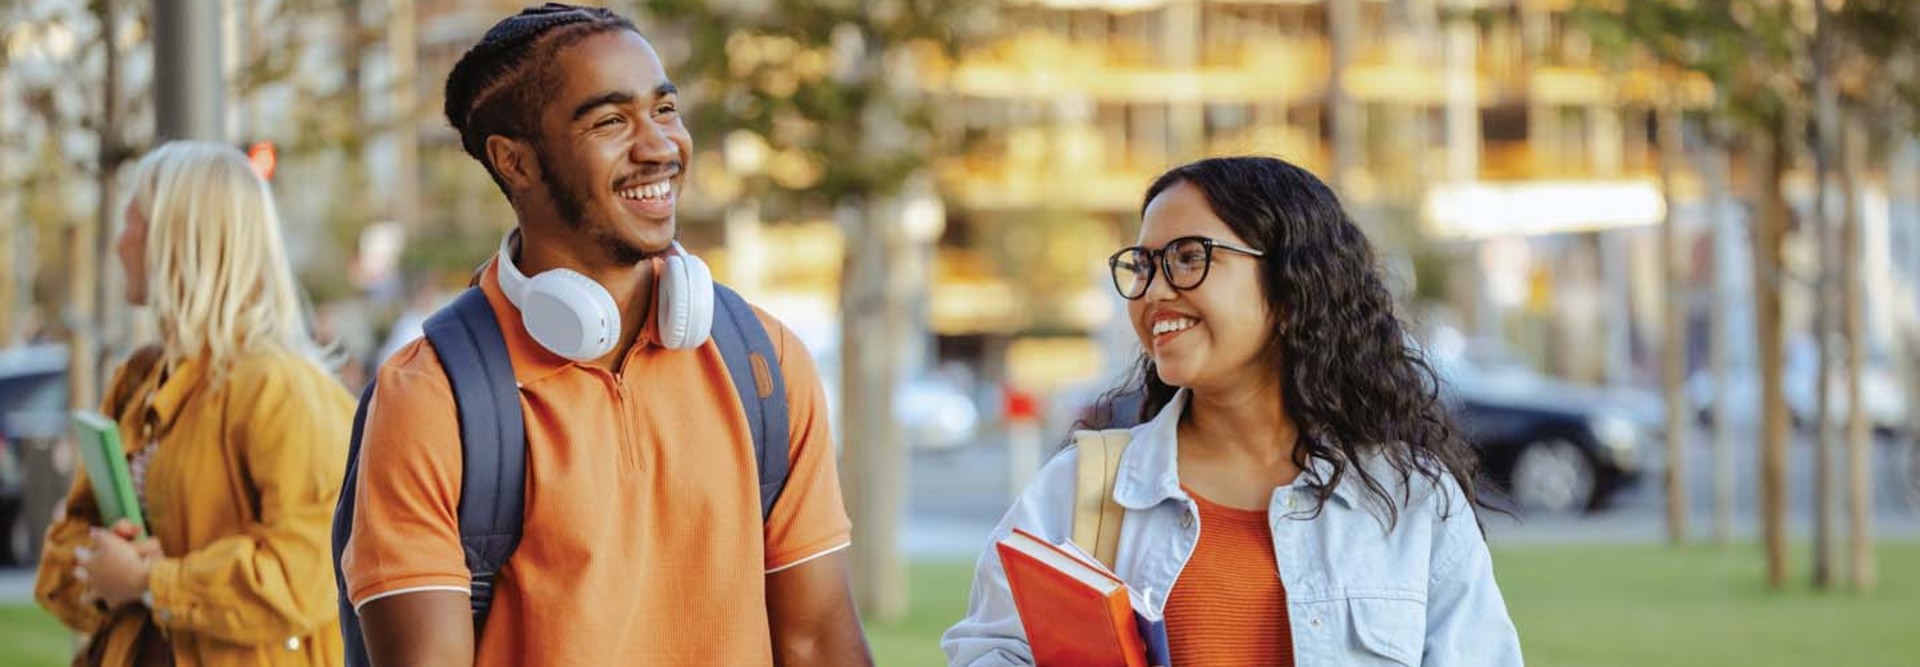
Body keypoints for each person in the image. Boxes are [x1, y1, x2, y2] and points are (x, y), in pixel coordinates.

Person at [338, 4, 869, 666]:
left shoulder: (765, 362)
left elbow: (819, 642)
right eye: (611, 120)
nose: (659, 146)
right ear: (516, 163)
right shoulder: (430, 397)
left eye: (665, 110)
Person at [943, 156, 1524, 666]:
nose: (1153, 292)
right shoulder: (1077, 492)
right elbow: (987, 653)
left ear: (1294, 286)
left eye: (1189, 257)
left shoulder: (1412, 501)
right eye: (1143, 266)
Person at [35, 141, 353, 666]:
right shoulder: (141, 377)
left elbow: (309, 571)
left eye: (131, 219)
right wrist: (102, 567)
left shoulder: (282, 388)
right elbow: (62, 550)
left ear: (177, 237)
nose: (118, 244)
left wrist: (146, 580)